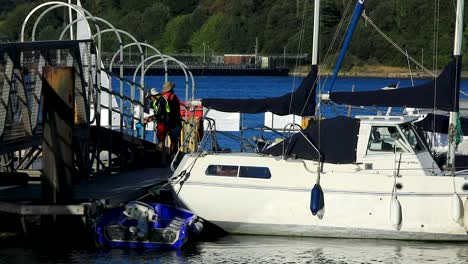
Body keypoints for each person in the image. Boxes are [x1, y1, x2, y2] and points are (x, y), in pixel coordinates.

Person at [161, 81, 182, 156]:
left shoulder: (161, 96)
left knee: (161, 141)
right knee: (174, 141)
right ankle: (173, 156)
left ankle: (161, 158)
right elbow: (176, 109)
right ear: (171, 89)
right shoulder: (173, 97)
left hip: (162, 122)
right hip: (174, 122)